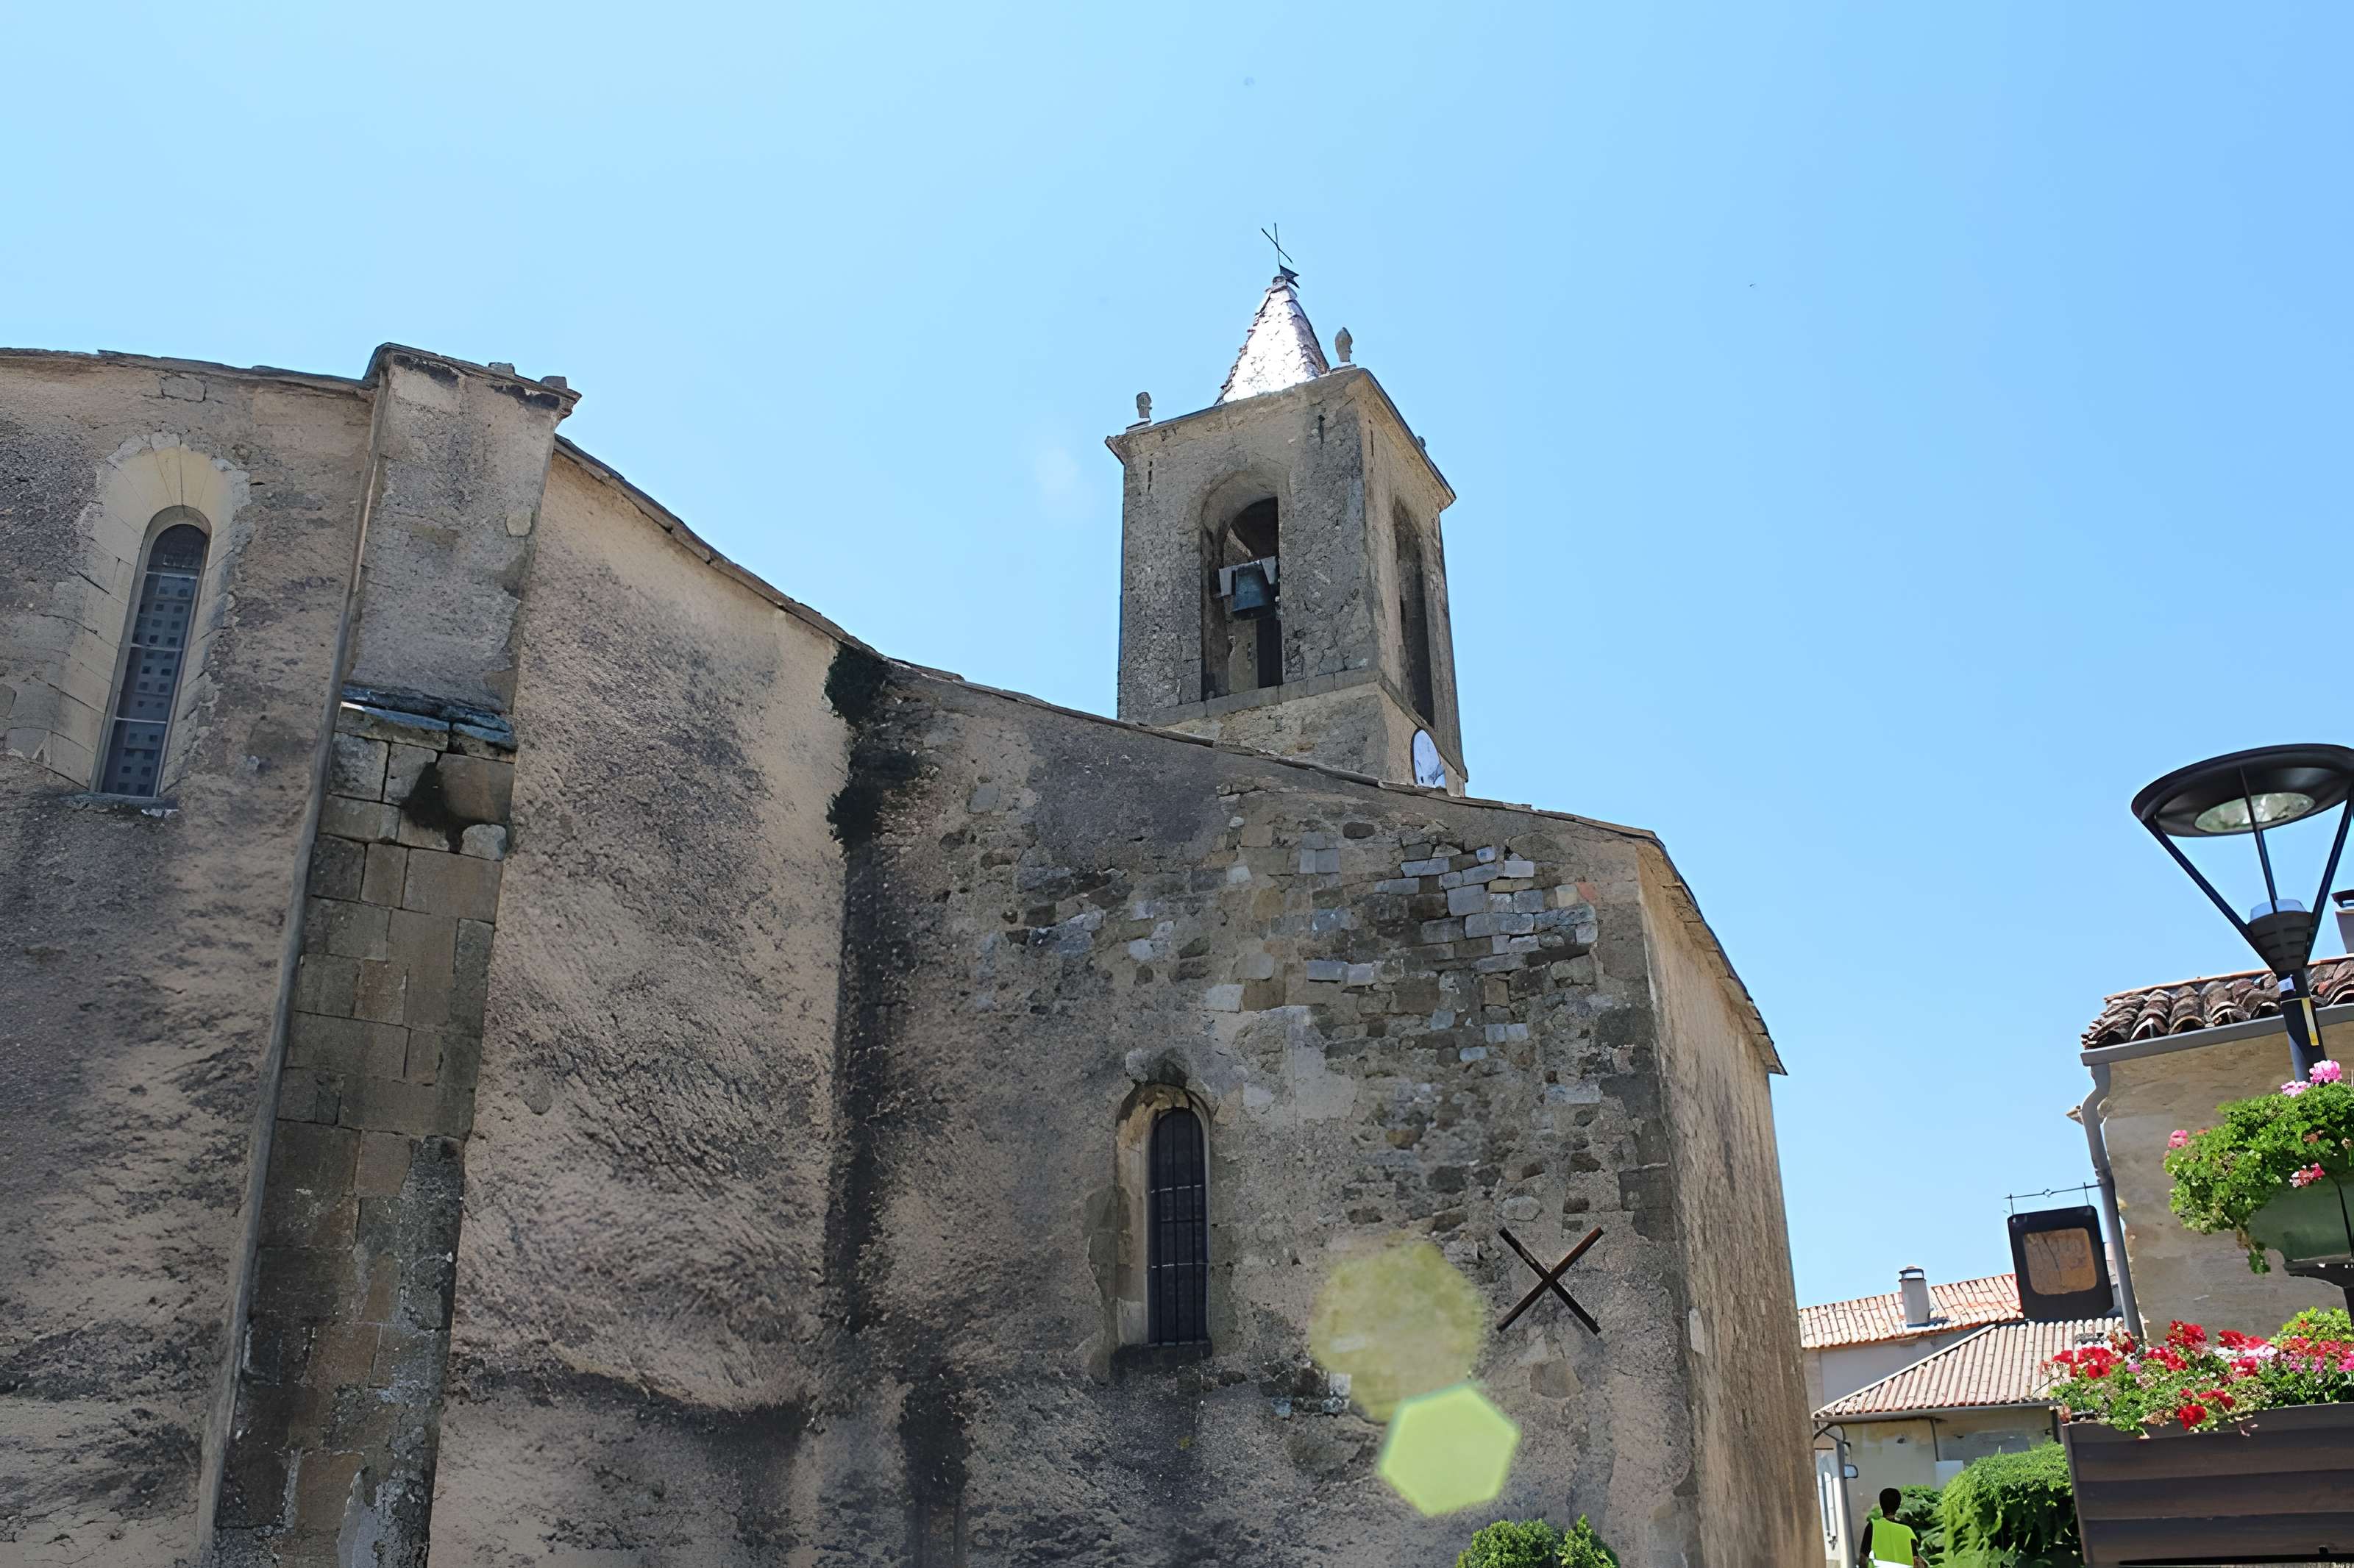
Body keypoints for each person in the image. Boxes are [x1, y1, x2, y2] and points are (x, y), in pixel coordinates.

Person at [1858, 1487, 1924, 1568]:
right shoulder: (1907, 1531)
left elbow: (1863, 1560)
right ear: (1898, 1505)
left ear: (1881, 1504)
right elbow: (1916, 1562)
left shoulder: (1873, 1527)